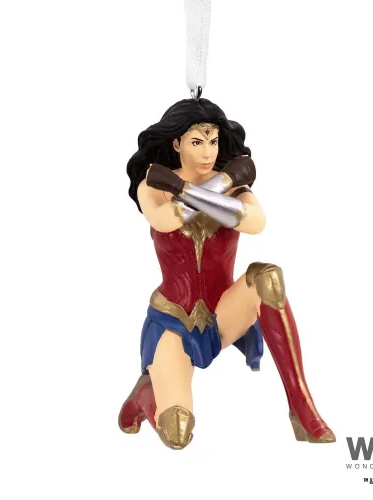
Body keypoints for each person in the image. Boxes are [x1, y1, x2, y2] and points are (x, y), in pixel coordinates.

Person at [118, 98, 335, 449]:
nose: (208, 153)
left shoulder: (231, 187)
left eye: (214, 141)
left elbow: (256, 223)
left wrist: (194, 189)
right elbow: (167, 219)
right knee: (176, 433)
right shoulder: (153, 187)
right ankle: (146, 394)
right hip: (173, 320)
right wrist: (224, 181)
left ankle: (301, 406)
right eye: (197, 142)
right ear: (177, 143)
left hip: (223, 313)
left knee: (267, 277)